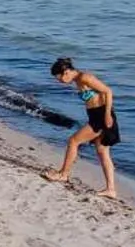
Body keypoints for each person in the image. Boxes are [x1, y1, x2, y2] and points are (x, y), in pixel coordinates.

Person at [42, 56, 120, 200]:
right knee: (103, 152)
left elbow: (108, 92)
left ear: (66, 72)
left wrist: (108, 115)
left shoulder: (86, 78)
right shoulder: (77, 81)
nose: (59, 82)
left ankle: (63, 174)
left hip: (102, 117)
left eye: (59, 78)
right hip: (95, 116)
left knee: (73, 141)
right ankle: (111, 190)